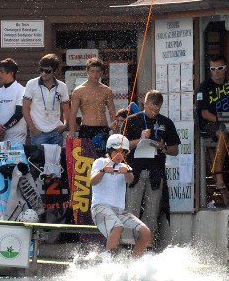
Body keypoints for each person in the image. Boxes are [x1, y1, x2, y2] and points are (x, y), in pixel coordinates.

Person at [123, 90, 180, 248]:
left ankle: (148, 244)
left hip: (156, 170)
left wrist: (163, 147)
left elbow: (175, 150)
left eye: (157, 110)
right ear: (145, 104)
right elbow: (122, 145)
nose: (154, 113)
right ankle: (128, 242)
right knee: (132, 206)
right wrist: (140, 140)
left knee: (152, 209)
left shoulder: (166, 122)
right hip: (135, 169)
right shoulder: (132, 120)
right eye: (151, 109)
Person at [91, 133, 151, 258]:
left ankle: (134, 263)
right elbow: (92, 181)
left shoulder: (125, 166)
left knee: (145, 231)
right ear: (109, 150)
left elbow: (130, 180)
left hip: (119, 211)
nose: (120, 155)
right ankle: (108, 261)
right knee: (118, 226)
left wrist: (127, 172)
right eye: (117, 151)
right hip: (100, 208)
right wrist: (103, 171)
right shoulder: (100, 162)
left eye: (123, 152)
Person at [195, 55, 229, 205]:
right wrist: (221, 121)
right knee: (223, 133)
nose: (216, 72)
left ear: (225, 69)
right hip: (210, 123)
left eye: (219, 69)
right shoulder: (204, 87)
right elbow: (204, 114)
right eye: (213, 69)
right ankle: (218, 176)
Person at [22, 53, 70, 146]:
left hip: (56, 131)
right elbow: (25, 108)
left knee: (56, 160)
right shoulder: (31, 84)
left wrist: (65, 125)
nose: (43, 73)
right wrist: (33, 128)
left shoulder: (62, 86)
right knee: (39, 160)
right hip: (38, 132)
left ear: (55, 71)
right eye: (41, 70)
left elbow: (66, 108)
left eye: (47, 71)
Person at [68, 58, 116, 148]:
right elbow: (73, 113)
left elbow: (112, 112)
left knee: (103, 158)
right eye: (92, 71)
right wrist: (72, 131)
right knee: (87, 158)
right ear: (87, 71)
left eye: (98, 71)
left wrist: (116, 132)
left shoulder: (107, 90)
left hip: (103, 128)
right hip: (86, 128)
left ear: (101, 72)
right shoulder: (79, 91)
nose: (95, 74)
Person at [0, 58, 27, 143]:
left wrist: (4, 127)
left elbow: (19, 113)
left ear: (11, 73)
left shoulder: (21, 89)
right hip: (2, 137)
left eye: (1, 72)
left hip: (17, 137)